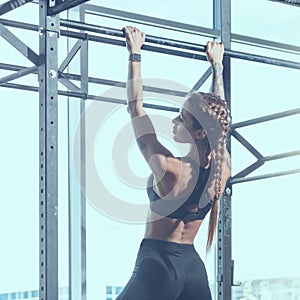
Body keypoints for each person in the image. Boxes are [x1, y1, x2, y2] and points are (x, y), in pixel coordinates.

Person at [116, 26, 231, 300]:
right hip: (193, 269)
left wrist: (135, 54)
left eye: (182, 117)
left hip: (157, 266)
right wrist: (217, 68)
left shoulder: (167, 166)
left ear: (200, 131)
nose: (174, 121)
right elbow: (220, 120)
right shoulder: (222, 169)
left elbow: (135, 108)